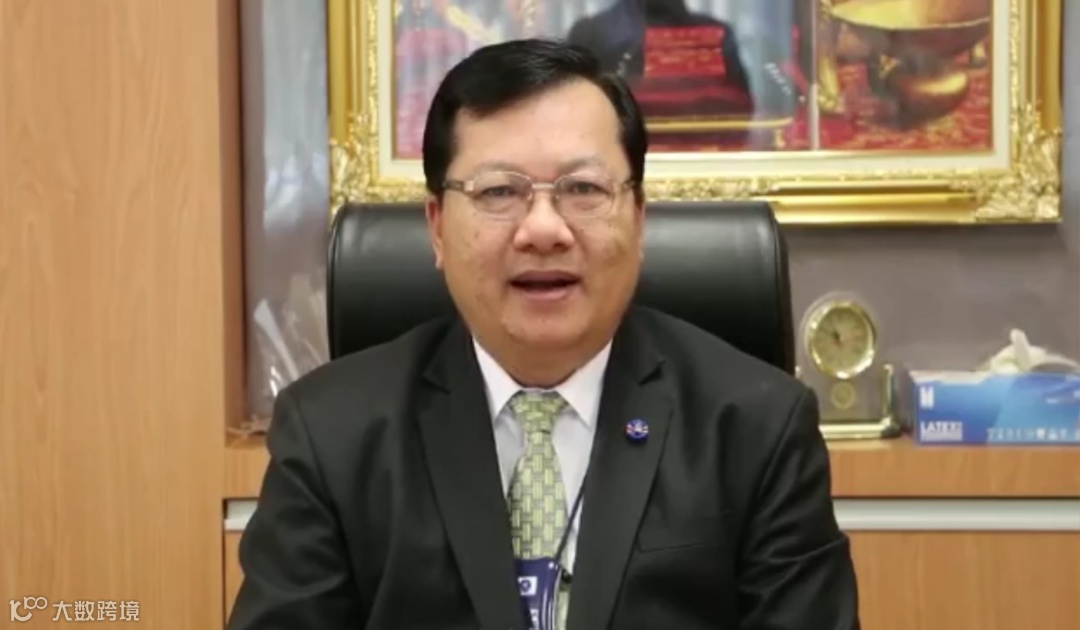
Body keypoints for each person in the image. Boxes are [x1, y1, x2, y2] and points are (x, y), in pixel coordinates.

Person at [228, 38, 859, 630]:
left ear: (638, 219)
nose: (543, 230)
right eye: (499, 191)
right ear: (437, 227)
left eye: (583, 189)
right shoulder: (331, 435)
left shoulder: (756, 428)